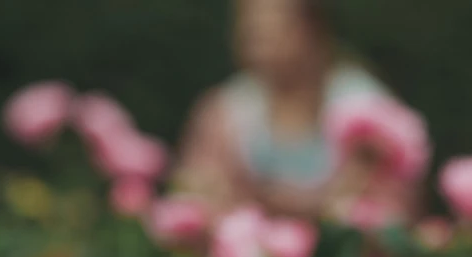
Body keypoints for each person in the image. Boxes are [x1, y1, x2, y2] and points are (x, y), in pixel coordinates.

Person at [172, 0, 419, 222]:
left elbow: (397, 210)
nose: (259, 41)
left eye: (274, 26)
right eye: (252, 28)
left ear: (312, 29)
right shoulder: (225, 114)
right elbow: (193, 196)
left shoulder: (367, 109)